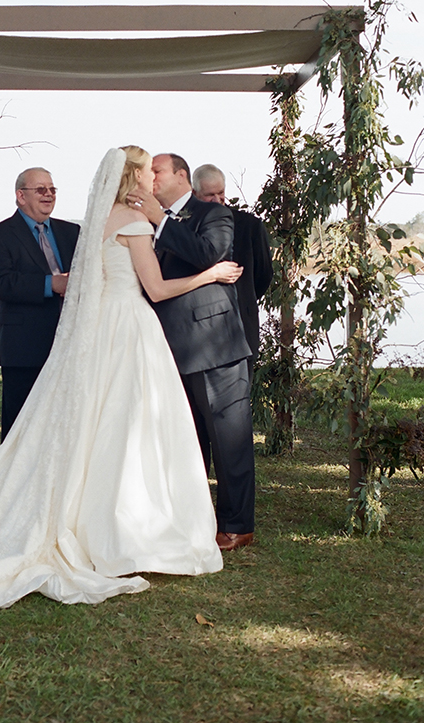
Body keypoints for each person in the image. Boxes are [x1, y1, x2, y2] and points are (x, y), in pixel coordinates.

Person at [0, 146, 234, 608]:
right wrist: (210, 274)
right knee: (129, 423)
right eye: (147, 171)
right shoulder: (134, 222)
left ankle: (84, 514)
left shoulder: (97, 222)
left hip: (99, 330)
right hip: (129, 327)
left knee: (100, 421)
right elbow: (158, 289)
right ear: (134, 175)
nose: (152, 179)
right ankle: (124, 529)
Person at [128, 153, 255, 552]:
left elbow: (209, 254)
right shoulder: (147, 222)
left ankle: (237, 525)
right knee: (188, 439)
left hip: (214, 345)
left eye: (157, 171)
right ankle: (192, 518)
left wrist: (160, 220)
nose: (150, 177)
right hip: (167, 347)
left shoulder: (212, 214)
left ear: (181, 175)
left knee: (229, 440)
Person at [0, 167, 80, 441]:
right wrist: (51, 284)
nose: (48, 194)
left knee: (64, 422)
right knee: (20, 426)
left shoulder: (72, 232)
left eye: (52, 189)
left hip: (70, 341)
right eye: (40, 189)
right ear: (21, 196)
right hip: (23, 346)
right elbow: (2, 283)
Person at [192, 163, 273, 370]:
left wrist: (244, 298)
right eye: (210, 195)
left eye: (220, 193)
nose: (217, 200)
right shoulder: (187, 228)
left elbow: (263, 275)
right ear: (194, 194)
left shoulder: (250, 226)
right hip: (198, 337)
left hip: (242, 327)